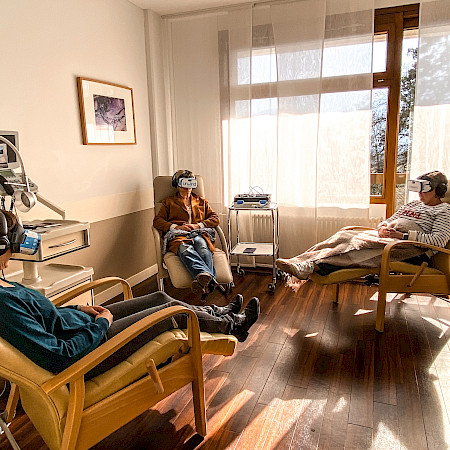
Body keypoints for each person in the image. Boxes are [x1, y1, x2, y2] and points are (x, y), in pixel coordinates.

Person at [0, 210, 260, 380]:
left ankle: (218, 313)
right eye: (14, 240)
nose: (18, 245)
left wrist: (77, 309)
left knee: (160, 299)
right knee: (172, 315)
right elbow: (60, 356)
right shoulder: (3, 303)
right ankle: (232, 325)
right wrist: (101, 324)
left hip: (81, 325)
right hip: (90, 353)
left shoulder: (4, 284)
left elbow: (42, 317)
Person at [276, 170, 450, 280]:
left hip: (409, 249)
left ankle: (312, 266)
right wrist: (382, 227)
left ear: (439, 190)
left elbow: (439, 240)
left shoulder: (444, 210)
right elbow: (390, 219)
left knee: (358, 250)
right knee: (344, 236)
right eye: (418, 189)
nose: (420, 194)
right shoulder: (412, 205)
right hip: (389, 239)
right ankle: (299, 261)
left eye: (425, 189)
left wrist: (402, 236)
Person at [153, 170, 220, 295]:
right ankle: (208, 279)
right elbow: (157, 221)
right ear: (177, 184)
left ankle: (202, 280)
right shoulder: (168, 202)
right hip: (179, 236)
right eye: (184, 184)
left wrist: (198, 225)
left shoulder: (201, 201)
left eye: (191, 183)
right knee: (185, 249)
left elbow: (215, 218)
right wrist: (176, 227)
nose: (187, 188)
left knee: (202, 247)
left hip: (198, 233)